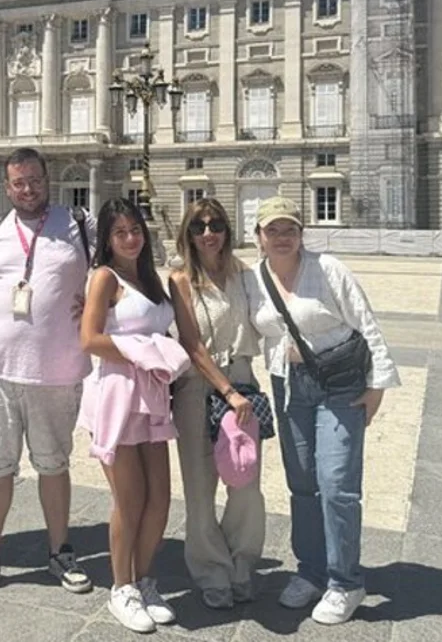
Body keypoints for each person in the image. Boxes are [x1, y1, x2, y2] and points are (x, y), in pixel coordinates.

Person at [0, 147, 95, 602]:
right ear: (7, 185)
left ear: (46, 179)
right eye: (18, 182)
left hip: (57, 371)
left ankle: (60, 551)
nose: (27, 189)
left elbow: (120, 273)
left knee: (54, 464)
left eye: (34, 180)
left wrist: (97, 302)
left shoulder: (79, 224)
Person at [250, 197, 399, 625]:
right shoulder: (253, 279)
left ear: (301, 233)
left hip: (340, 384)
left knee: (336, 484)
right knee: (302, 484)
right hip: (287, 385)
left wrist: (377, 386)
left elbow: (366, 322)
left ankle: (345, 581)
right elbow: (238, 320)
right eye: (272, 229)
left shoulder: (328, 268)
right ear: (258, 236)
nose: (281, 237)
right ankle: (311, 571)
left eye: (289, 229)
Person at [78, 198, 188, 633]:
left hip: (154, 395)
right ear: (106, 238)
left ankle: (144, 580)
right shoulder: (104, 277)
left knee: (159, 497)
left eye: (135, 229)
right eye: (120, 232)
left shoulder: (151, 279)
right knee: (130, 498)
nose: (130, 238)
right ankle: (120, 587)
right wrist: (144, 352)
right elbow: (89, 339)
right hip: (118, 394)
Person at [168, 198, 265, 610]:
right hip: (198, 389)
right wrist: (227, 391)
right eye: (199, 226)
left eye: (216, 224)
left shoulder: (245, 275)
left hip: (243, 380)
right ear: (188, 235)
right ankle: (212, 570)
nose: (209, 233)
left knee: (245, 482)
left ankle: (242, 563)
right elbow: (191, 345)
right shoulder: (180, 281)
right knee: (200, 485)